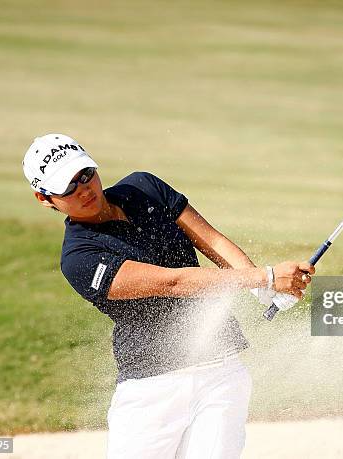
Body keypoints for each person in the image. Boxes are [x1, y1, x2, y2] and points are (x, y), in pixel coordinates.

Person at [22, 133, 315, 459]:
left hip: (220, 372)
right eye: (68, 186)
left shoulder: (142, 187)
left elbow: (213, 241)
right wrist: (266, 276)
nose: (84, 189)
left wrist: (262, 286)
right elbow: (173, 283)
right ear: (44, 197)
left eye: (85, 174)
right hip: (152, 389)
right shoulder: (80, 257)